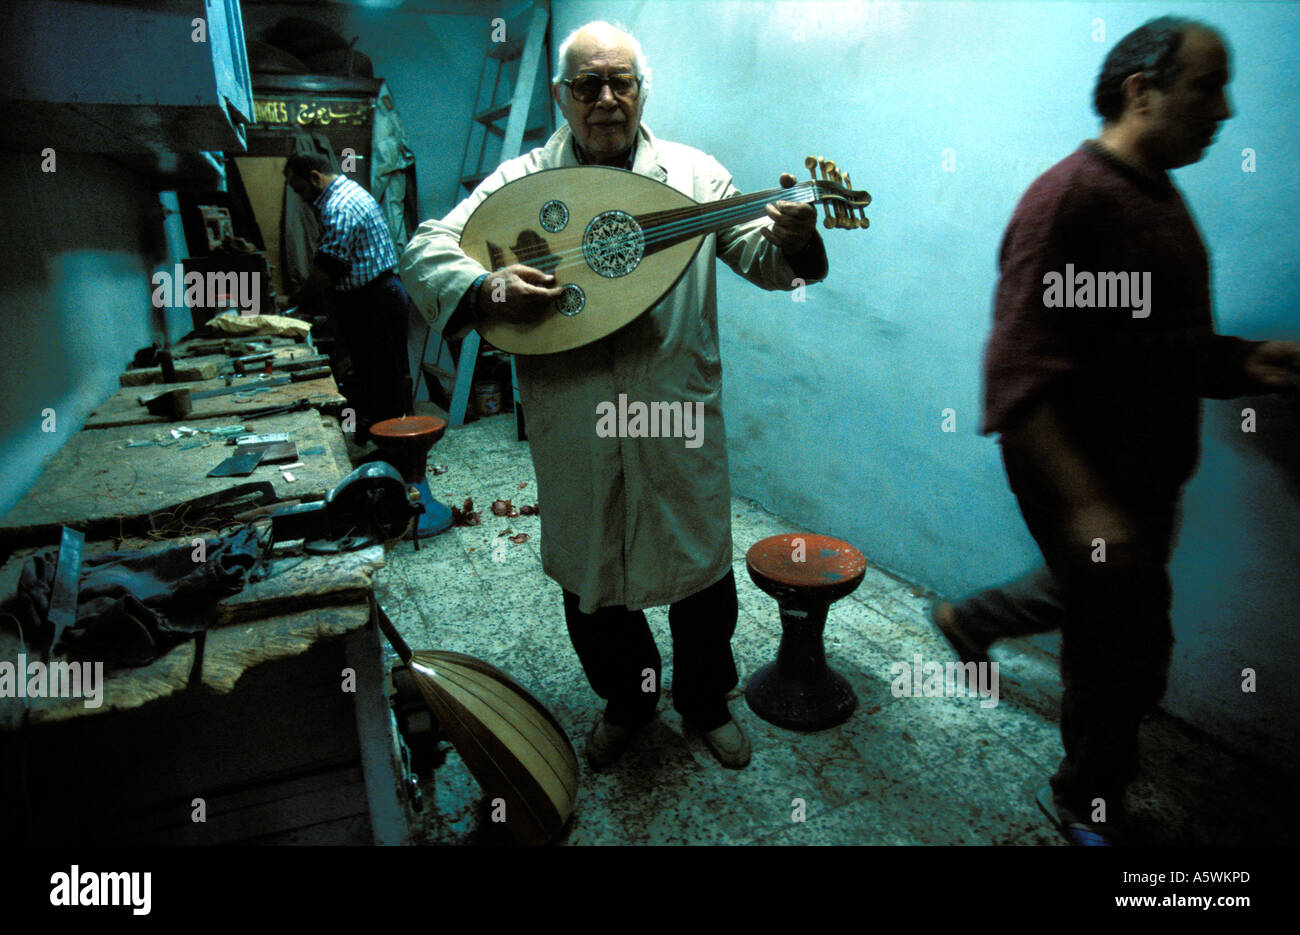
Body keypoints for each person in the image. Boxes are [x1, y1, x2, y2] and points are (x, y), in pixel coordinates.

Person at [400, 21, 827, 769]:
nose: (605, 98)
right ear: (562, 97)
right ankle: (628, 702)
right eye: (587, 84)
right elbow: (425, 245)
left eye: (620, 81)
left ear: (640, 90)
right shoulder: (522, 182)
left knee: (700, 575)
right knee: (594, 580)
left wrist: (796, 236)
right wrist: (483, 283)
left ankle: (702, 702)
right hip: (576, 417)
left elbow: (768, 264)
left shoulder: (696, 176)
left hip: (675, 411)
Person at [931, 17, 1300, 844]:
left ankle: (973, 618)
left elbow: (1152, 340)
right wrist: (1087, 508)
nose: (1228, 109)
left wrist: (1245, 363)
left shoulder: (1158, 195)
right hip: (1087, 480)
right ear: (1143, 91)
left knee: (1095, 606)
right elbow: (1020, 380)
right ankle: (1085, 799)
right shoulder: (1069, 200)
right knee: (1127, 655)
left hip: (1142, 480)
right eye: (1209, 85)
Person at [283, 153, 411, 441]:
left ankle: (397, 451)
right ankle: (387, 441)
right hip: (375, 296)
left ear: (315, 177)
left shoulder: (339, 206)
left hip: (375, 300)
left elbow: (328, 269)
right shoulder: (347, 192)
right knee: (378, 377)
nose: (302, 198)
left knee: (385, 380)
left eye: (301, 190)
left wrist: (293, 301)